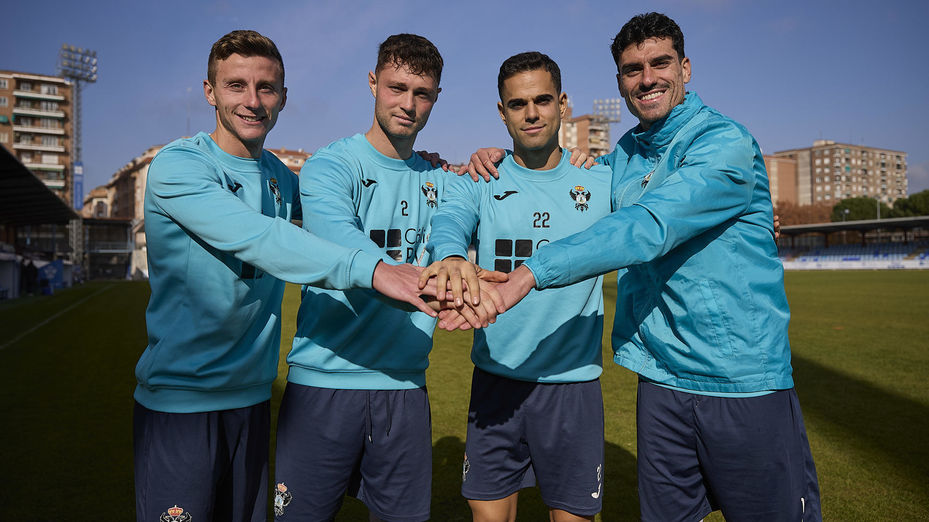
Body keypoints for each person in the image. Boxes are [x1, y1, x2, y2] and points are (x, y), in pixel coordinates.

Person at [429, 12, 821, 522]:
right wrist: (492, 157)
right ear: (619, 81)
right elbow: (551, 185)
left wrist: (526, 275)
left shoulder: (724, 143)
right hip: (659, 380)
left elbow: (647, 225)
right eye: (632, 69)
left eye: (660, 63)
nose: (647, 78)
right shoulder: (625, 157)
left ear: (685, 67)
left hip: (739, 380)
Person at [134, 30, 437, 522]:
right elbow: (263, 238)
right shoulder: (178, 166)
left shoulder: (279, 176)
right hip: (180, 403)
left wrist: (435, 169)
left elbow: (341, 204)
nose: (252, 101)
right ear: (210, 92)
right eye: (236, 86)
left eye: (266, 88)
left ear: (283, 97)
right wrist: (376, 270)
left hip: (252, 399)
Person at [271, 34, 500, 521]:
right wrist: (418, 282)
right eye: (397, 88)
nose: (408, 104)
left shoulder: (442, 178)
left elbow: (456, 229)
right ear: (373, 83)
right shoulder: (330, 166)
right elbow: (338, 238)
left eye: (423, 94)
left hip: (404, 386)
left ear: (436, 98)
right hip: (324, 381)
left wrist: (502, 156)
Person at [426, 52, 612, 521]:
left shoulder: (601, 179)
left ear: (563, 104)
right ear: (501, 111)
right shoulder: (480, 178)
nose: (531, 113)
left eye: (543, 100)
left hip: (572, 385)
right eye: (517, 104)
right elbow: (450, 219)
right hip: (497, 380)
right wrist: (450, 256)